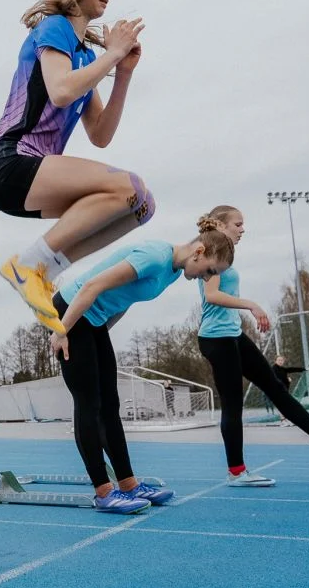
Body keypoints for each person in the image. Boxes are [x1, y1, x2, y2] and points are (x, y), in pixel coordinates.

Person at [0, 0, 148, 334]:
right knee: (128, 185)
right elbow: (60, 91)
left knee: (139, 204)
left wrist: (122, 73)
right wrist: (115, 51)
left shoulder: (85, 54)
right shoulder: (55, 27)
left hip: (29, 176)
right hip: (8, 161)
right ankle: (28, 267)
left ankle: (42, 270)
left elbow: (100, 135)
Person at [51, 217, 237, 513]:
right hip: (71, 311)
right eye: (209, 271)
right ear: (199, 252)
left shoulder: (173, 272)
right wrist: (61, 329)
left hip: (95, 321)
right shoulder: (155, 257)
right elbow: (92, 285)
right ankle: (103, 492)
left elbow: (124, 300)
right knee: (89, 403)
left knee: (110, 405)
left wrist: (101, 335)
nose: (205, 278)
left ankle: (128, 485)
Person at [196, 205, 309, 488]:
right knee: (232, 404)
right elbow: (211, 295)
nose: (243, 229)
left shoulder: (226, 253)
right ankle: (237, 472)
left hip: (232, 334)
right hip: (216, 338)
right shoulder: (212, 250)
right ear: (222, 225)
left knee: (275, 386)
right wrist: (251, 304)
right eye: (238, 224)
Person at [272, 355, 305, 427]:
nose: (280, 362)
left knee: (286, 405)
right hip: (278, 391)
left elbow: (292, 369)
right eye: (279, 360)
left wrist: (303, 369)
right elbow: (277, 379)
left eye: (282, 360)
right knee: (282, 405)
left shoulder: (282, 369)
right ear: (275, 361)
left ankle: (286, 420)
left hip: (285, 390)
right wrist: (287, 380)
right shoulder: (274, 369)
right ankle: (283, 421)